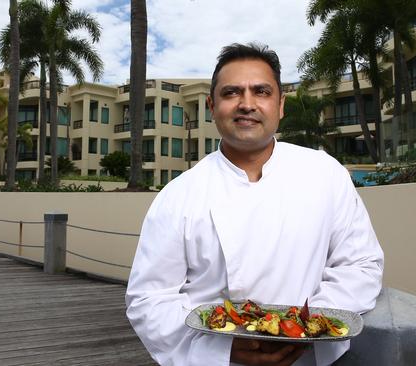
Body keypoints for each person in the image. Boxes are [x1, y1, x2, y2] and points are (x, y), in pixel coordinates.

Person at [125, 42, 384, 366]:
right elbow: (148, 299)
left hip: (309, 357)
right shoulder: (180, 194)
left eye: (261, 91)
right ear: (211, 105)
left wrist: (306, 328)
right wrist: (222, 350)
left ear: (280, 105)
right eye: (232, 92)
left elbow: (361, 265)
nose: (246, 104)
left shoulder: (324, 173)